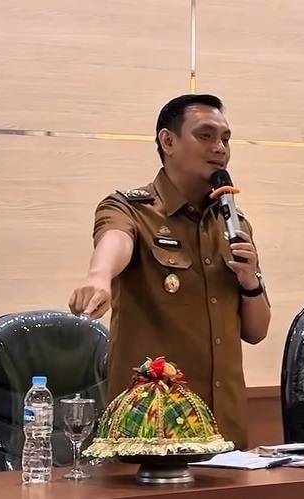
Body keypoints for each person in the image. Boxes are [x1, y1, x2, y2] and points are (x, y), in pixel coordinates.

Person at [68, 94, 271, 449]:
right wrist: (98, 276)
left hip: (225, 431)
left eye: (225, 139)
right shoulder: (131, 208)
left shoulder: (233, 223)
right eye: (206, 135)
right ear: (168, 141)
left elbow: (257, 331)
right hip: (150, 433)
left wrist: (250, 280)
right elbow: (115, 238)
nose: (220, 148)